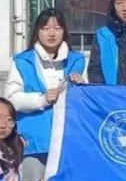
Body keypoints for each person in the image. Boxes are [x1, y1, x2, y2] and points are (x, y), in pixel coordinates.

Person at [3, 9, 87, 171]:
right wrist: (42, 100)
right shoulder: (23, 62)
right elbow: (11, 99)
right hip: (33, 142)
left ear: (64, 32)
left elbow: (85, 102)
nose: (52, 33)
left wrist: (82, 85)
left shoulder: (77, 61)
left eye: (57, 28)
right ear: (37, 31)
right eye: (45, 28)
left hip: (69, 141)